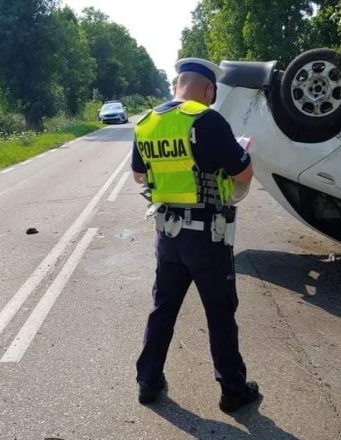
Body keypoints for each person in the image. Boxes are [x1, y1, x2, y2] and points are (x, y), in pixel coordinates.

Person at [131, 57, 259, 413]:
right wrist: (240, 154)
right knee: (219, 312)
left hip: (167, 237)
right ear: (208, 89)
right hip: (207, 238)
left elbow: (139, 177)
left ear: (177, 85)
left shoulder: (146, 124)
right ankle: (233, 390)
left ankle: (148, 381)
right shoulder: (207, 119)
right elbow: (243, 175)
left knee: (162, 309)